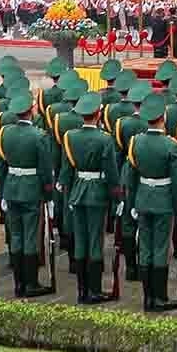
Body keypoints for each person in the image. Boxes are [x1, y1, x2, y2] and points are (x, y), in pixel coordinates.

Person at [123, 93, 177, 311]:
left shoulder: (136, 142)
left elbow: (130, 179)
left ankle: (147, 297)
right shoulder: (171, 146)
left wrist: (131, 204)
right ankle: (159, 298)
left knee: (145, 248)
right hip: (163, 202)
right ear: (163, 118)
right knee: (161, 249)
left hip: (142, 200)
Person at [0, 92, 54, 297]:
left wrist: (2, 191)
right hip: (31, 189)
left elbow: (1, 165)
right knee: (30, 236)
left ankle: (18, 283)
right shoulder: (39, 136)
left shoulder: (5, 133)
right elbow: (45, 170)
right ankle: (30, 284)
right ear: (31, 111)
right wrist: (49, 195)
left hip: (11, 188)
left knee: (16, 235)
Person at [63, 92, 119, 303]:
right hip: (97, 192)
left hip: (77, 192)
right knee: (95, 241)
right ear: (98, 113)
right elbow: (111, 172)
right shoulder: (104, 139)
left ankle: (81, 290)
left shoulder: (70, 137)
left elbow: (67, 169)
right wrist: (117, 196)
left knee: (81, 241)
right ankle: (93, 291)